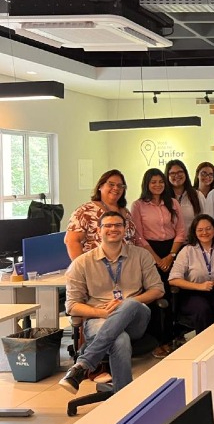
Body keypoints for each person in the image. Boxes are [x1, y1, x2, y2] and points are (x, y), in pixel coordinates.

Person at [59, 211, 164, 395]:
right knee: (120, 340)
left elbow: (157, 289)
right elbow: (72, 306)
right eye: (107, 225)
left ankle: (84, 363)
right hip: (99, 318)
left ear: (125, 230)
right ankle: (123, 398)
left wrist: (124, 304)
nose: (113, 229)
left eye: (118, 225)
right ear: (99, 231)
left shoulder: (141, 255)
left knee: (129, 304)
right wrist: (103, 313)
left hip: (135, 318)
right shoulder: (82, 263)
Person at [130, 168, 186, 358]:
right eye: (153, 182)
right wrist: (156, 259)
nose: (158, 185)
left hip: (172, 251)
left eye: (161, 181)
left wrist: (170, 255)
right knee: (154, 297)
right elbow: (138, 236)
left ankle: (173, 337)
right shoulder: (138, 205)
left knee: (173, 296)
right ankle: (156, 341)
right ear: (146, 184)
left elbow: (180, 231)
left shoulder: (173, 203)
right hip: (149, 253)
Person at [168, 214, 214, 332]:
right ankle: (205, 344)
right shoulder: (187, 251)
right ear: (194, 232)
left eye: (208, 228)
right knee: (202, 309)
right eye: (200, 230)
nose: (205, 233)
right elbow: (173, 279)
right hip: (193, 293)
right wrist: (199, 286)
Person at [65, 169, 136, 260]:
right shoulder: (85, 211)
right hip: (97, 267)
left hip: (127, 266)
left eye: (120, 186)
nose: (116, 188)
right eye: (111, 184)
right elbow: (71, 241)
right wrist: (82, 269)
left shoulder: (125, 212)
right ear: (100, 186)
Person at [166, 159, 205, 235]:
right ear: (167, 176)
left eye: (180, 172)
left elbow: (205, 219)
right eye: (172, 173)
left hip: (193, 243)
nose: (177, 175)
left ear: (185, 174)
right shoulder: (163, 198)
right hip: (171, 244)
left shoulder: (197, 195)